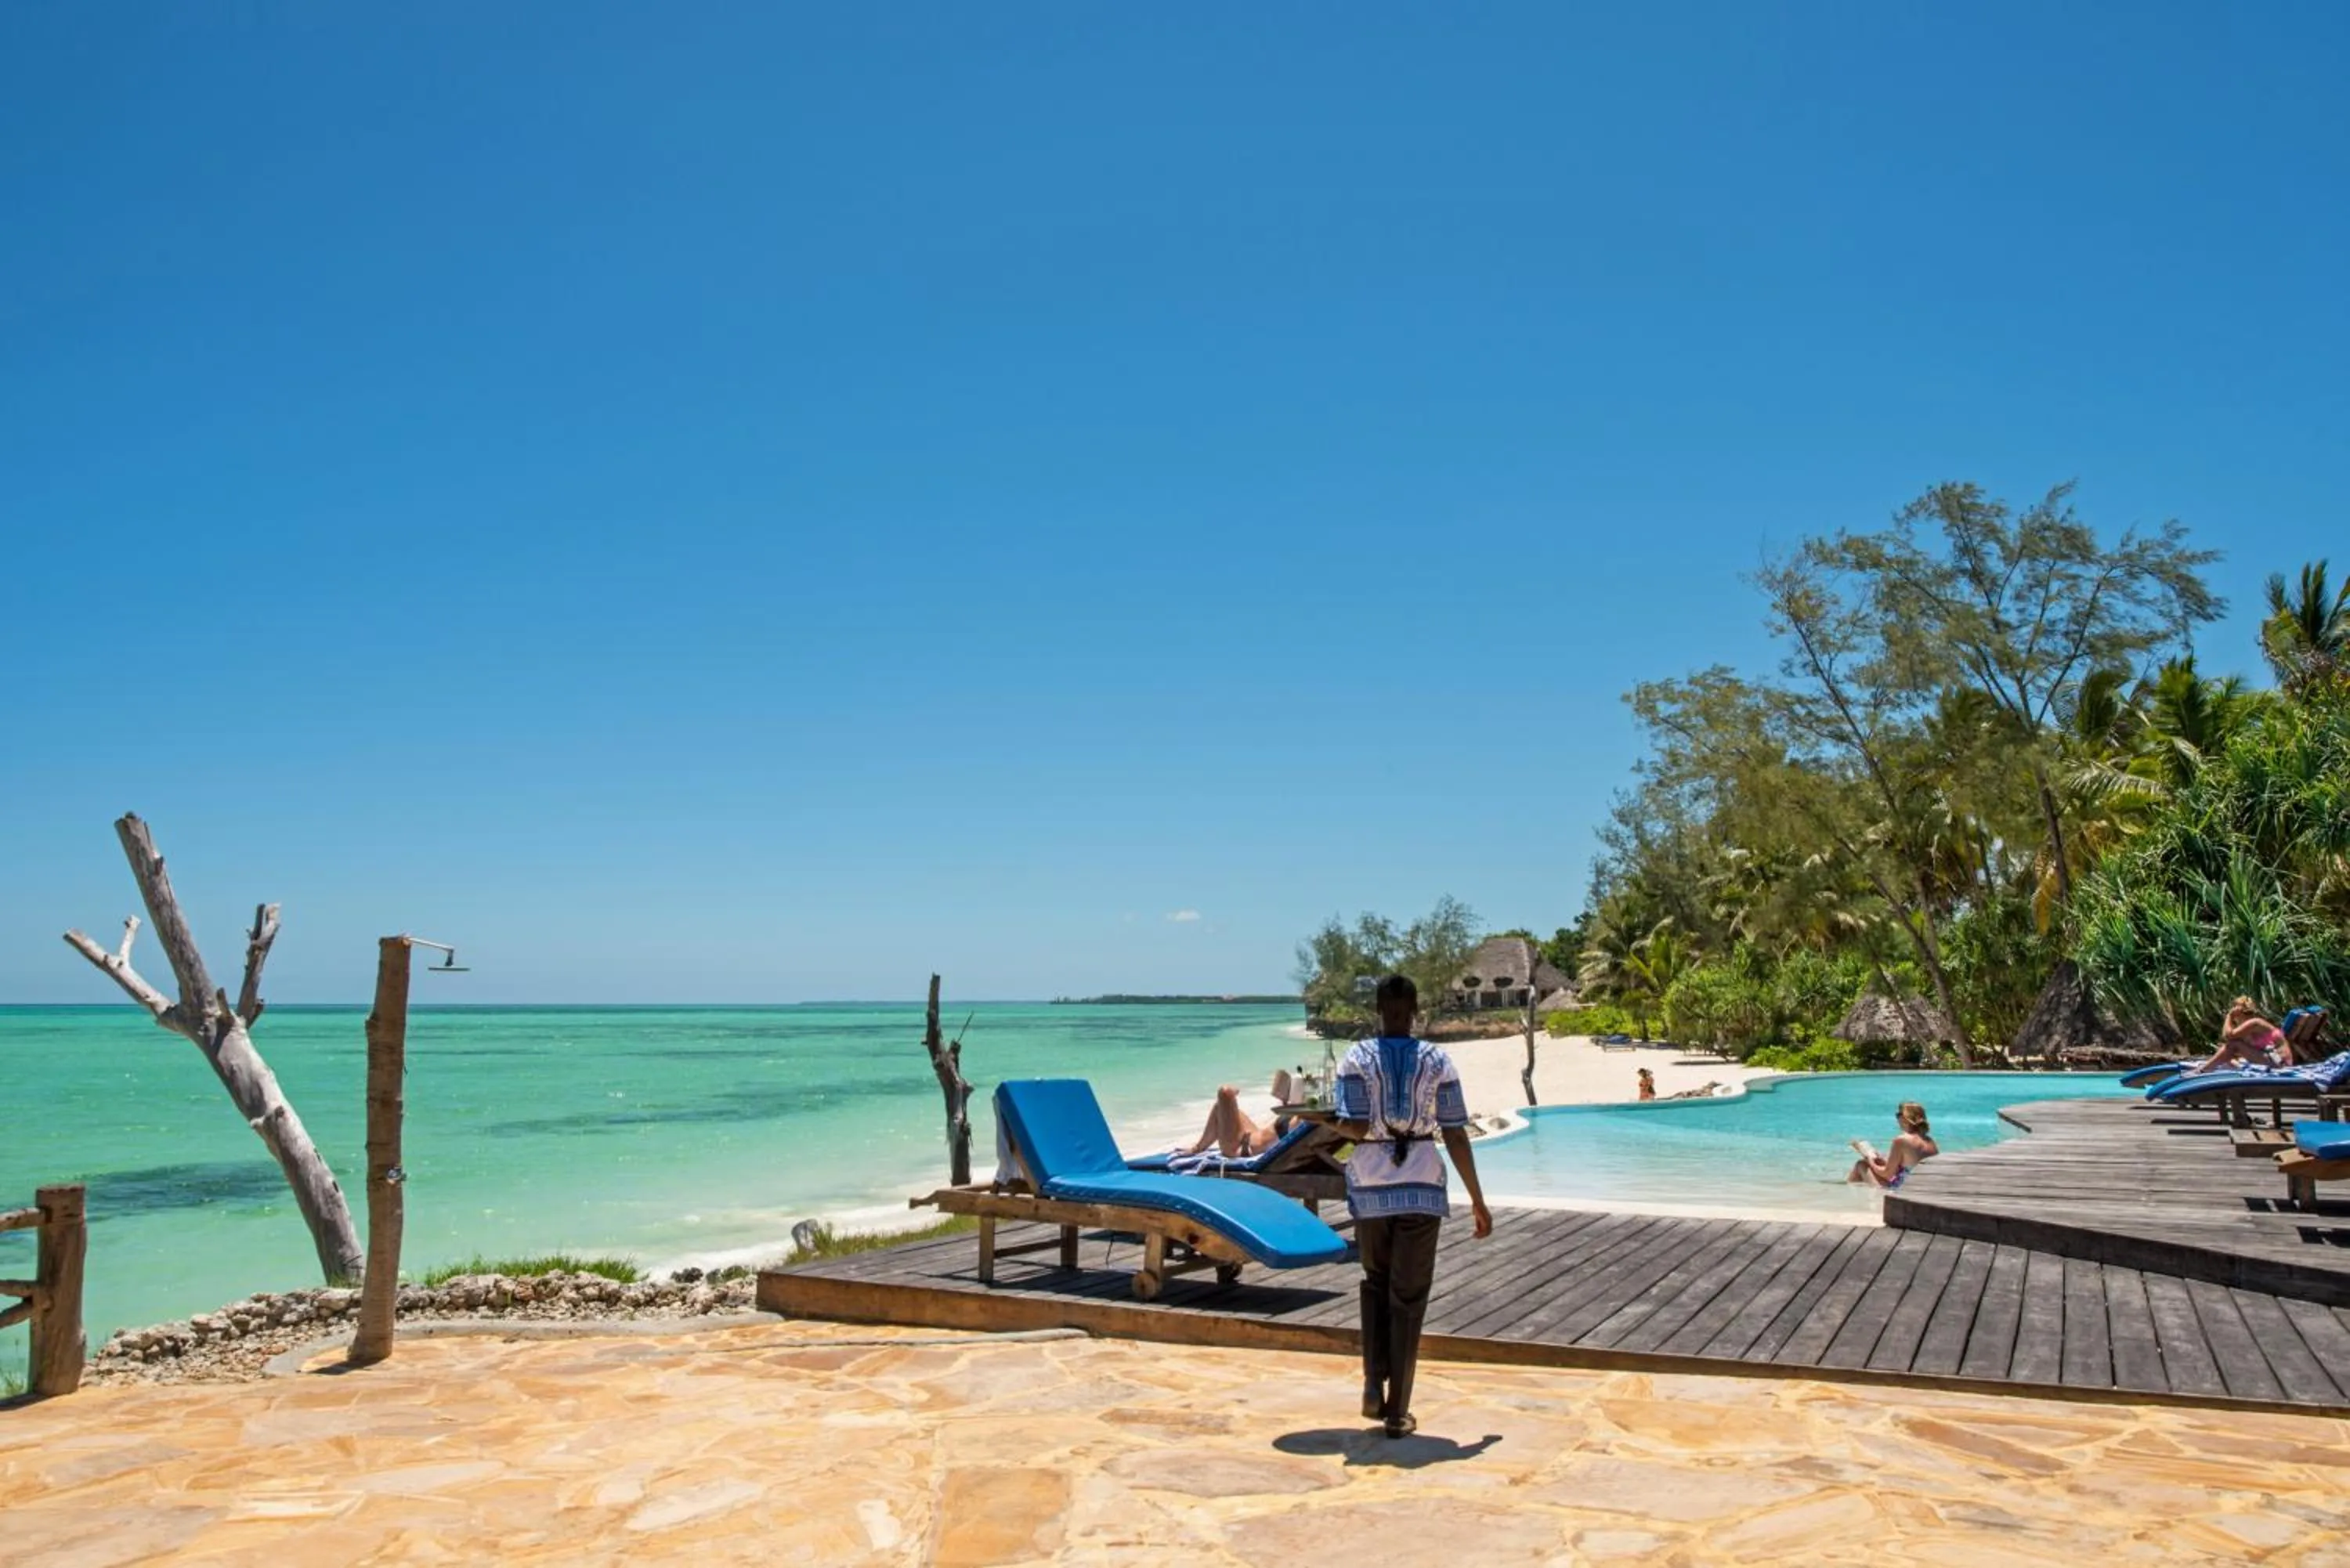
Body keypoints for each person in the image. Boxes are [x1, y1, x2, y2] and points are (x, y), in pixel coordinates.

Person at [1332, 974, 1494, 1439]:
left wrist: (1317, 1122)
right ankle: (1398, 1411)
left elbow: (1357, 1128)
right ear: (1415, 1010)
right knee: (1409, 1296)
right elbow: (1456, 1132)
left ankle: (1370, 1382)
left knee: (1376, 1282)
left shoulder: (1357, 1058)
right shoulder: (1439, 1060)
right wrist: (1478, 1200)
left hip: (1372, 1188)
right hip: (1421, 1185)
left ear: (1379, 1010)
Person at [1179, 1078, 1294, 1160]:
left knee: (1225, 1092)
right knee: (1221, 1107)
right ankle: (1199, 1147)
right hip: (1252, 1136)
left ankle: (1198, 1148)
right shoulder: (1303, 1117)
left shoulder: (1305, 1118)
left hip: (1240, 1147)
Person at [2186, 998, 2290, 1075]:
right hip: (2273, 1059)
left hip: (2279, 1063)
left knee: (2234, 1045)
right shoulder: (2251, 1026)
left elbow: (2228, 1036)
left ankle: (2203, 1070)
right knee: (2226, 1049)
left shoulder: (2255, 1023)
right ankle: (2214, 1067)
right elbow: (2227, 1038)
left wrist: (2229, 1016)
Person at [1848, 1101, 1938, 1189]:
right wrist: (1882, 1162)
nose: (1897, 1118)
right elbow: (1909, 1169)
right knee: (1873, 1165)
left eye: (1898, 1115)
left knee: (1861, 1165)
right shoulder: (1930, 1141)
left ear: (1905, 1118)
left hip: (1904, 1189)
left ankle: (1850, 1195)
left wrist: (1870, 1160)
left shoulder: (1902, 1140)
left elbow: (1888, 1175)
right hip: (1922, 1186)